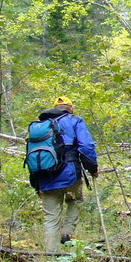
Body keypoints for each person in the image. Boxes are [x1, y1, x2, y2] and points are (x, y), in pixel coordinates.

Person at [32, 96, 99, 253]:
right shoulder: (74, 120)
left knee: (50, 217)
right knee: (75, 200)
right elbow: (87, 146)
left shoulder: (40, 126)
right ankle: (68, 233)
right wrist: (93, 168)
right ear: (70, 108)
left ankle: (51, 255)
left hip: (45, 178)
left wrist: (36, 185)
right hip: (70, 176)